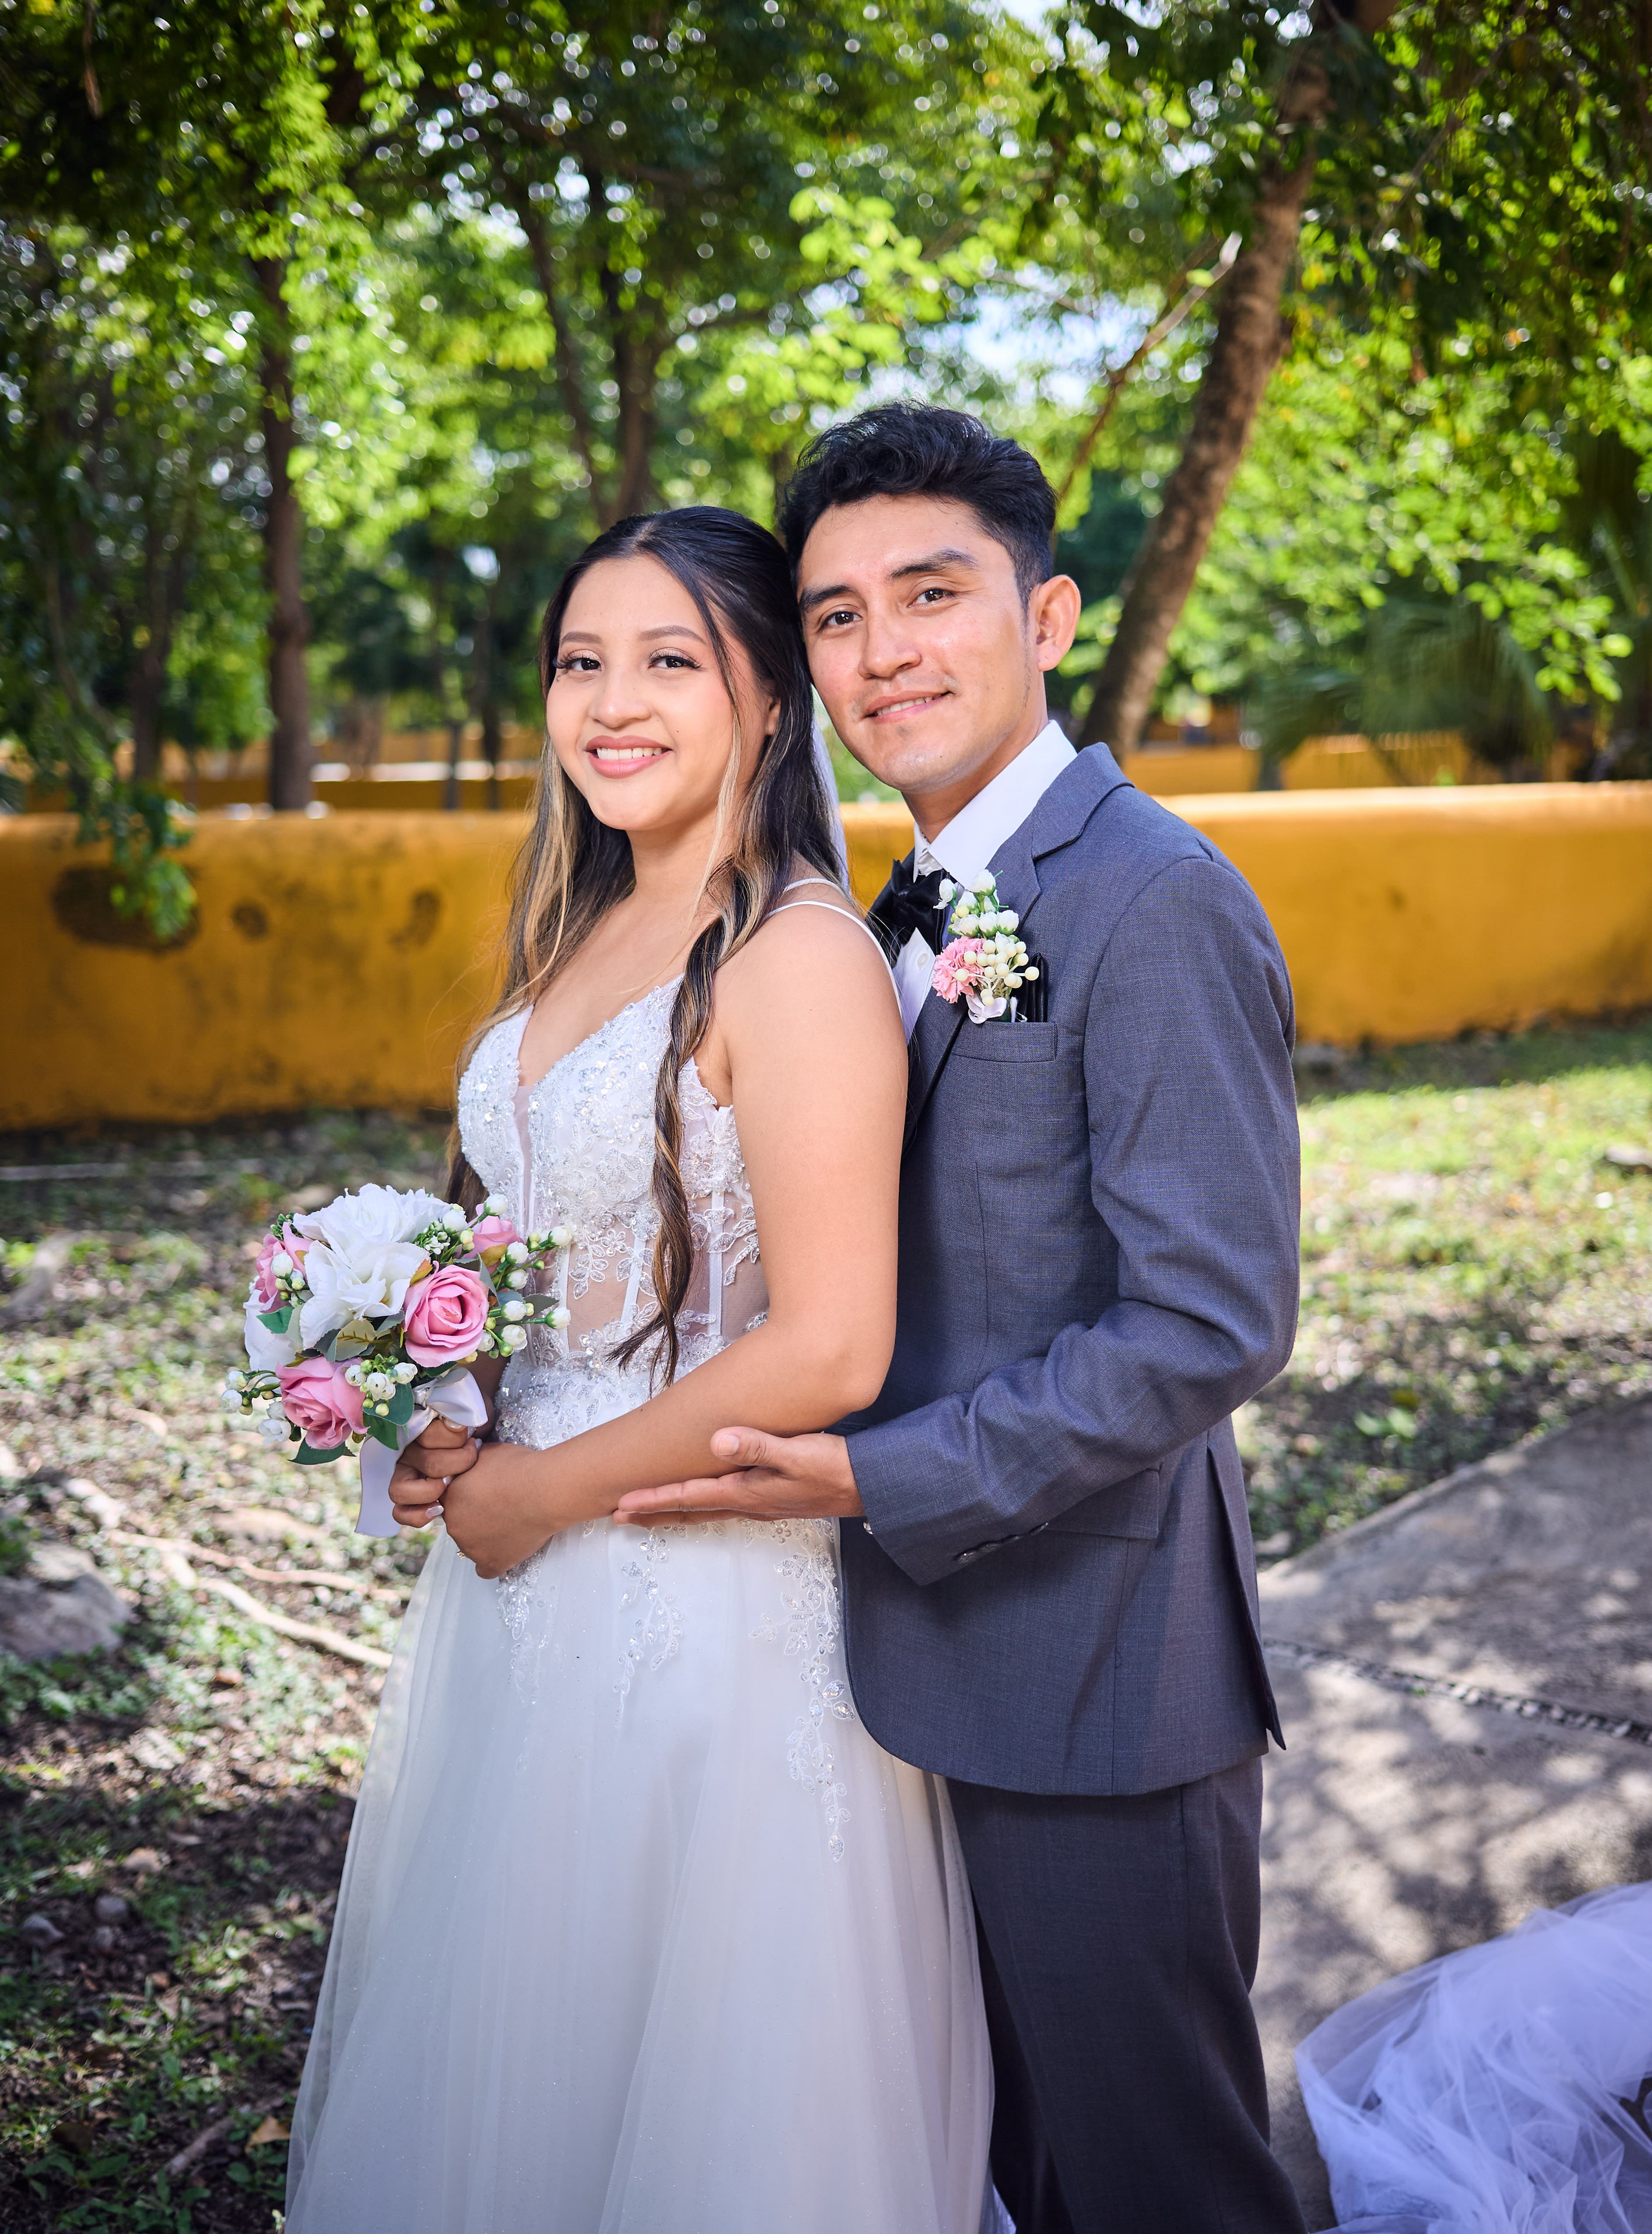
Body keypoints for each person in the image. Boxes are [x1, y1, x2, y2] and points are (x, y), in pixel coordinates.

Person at [611, 407, 1310, 2234]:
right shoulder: (895, 902)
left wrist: (869, 1477)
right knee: (1015, 2175)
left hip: (1098, 1679)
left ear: (1052, 614)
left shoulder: (1152, 898)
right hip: (917, 1670)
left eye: (931, 595)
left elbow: (1205, 1324)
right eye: (835, 616)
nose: (880, 650)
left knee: (1160, 2180)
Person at [285, 506, 996, 2233]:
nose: (614, 700)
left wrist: (541, 1488)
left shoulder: (802, 954)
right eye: (581, 661)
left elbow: (833, 1341)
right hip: (522, 1595)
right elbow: (553, 1252)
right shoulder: (582, 931)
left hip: (709, 1618)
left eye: (670, 660)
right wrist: (445, 1413)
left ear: (767, 704)